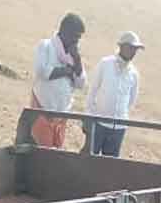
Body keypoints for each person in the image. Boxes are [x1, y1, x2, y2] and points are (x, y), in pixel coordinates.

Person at [28, 14, 87, 149]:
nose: (77, 41)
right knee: (39, 155)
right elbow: (42, 71)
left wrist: (77, 60)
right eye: (75, 36)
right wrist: (67, 71)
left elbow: (81, 83)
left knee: (55, 158)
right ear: (64, 31)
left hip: (61, 118)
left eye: (79, 38)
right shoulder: (46, 46)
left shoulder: (73, 56)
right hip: (42, 112)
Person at [85, 31, 144, 157]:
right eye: (131, 48)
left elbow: (131, 100)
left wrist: (120, 115)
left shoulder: (134, 73)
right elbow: (93, 90)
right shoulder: (105, 64)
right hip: (98, 123)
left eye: (135, 49)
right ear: (122, 46)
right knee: (89, 161)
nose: (133, 52)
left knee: (111, 167)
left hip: (119, 128)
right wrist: (89, 116)